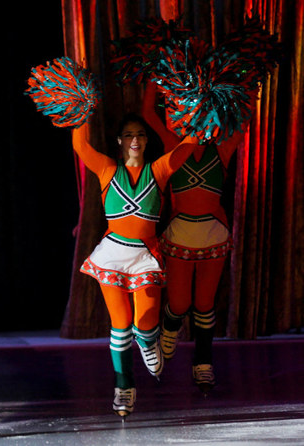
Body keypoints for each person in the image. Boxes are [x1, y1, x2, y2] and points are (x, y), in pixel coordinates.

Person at [72, 113, 197, 418]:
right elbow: (80, 145)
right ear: (119, 141)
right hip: (113, 255)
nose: (136, 140)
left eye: (140, 135)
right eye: (129, 135)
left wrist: (199, 110)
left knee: (145, 323)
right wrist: (78, 110)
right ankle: (123, 387)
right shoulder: (107, 169)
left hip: (145, 256)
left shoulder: (159, 169)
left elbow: (189, 145)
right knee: (120, 325)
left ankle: (149, 340)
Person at [141, 82, 249, 393]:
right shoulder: (174, 144)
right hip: (179, 237)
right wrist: (153, 78)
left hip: (214, 237)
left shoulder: (223, 147)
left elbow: (244, 116)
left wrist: (247, 77)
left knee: (204, 303)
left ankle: (203, 364)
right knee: (179, 302)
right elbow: (149, 112)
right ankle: (170, 332)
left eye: (205, 109)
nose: (198, 116)